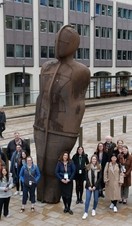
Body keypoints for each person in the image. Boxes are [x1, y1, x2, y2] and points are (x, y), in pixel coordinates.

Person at [34, 24, 90, 203]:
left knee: (52, 165)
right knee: (41, 162)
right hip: (42, 125)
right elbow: (41, 97)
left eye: (64, 42)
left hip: (63, 129)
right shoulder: (47, 67)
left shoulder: (80, 71)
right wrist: (38, 121)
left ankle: (53, 194)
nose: (58, 45)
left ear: (73, 44)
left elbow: (78, 104)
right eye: (57, 41)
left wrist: (71, 129)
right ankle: (40, 192)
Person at [82, 154, 102, 219]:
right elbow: (86, 177)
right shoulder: (87, 167)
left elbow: (100, 178)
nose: (94, 160)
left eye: (95, 159)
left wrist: (95, 186)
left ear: (97, 160)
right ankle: (86, 212)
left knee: (96, 199)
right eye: (93, 159)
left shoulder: (99, 167)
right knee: (87, 199)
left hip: (96, 186)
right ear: (91, 160)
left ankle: (94, 209)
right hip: (89, 186)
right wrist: (89, 186)